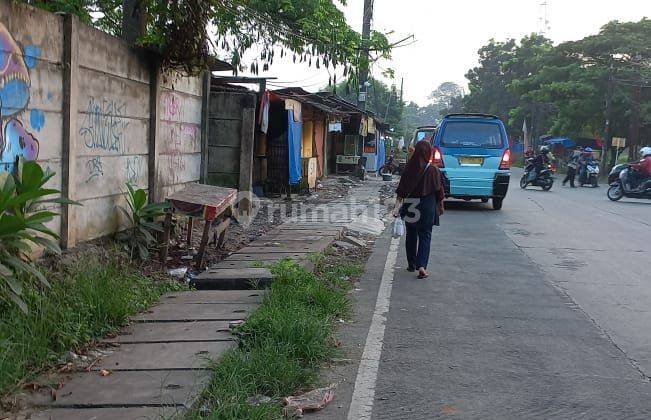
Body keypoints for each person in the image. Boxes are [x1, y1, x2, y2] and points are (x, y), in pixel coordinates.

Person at [393, 141, 445, 279]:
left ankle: (411, 264)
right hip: (428, 205)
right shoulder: (433, 169)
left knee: (411, 234)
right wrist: (441, 206)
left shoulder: (409, 168)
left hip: (411, 204)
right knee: (425, 235)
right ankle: (421, 266)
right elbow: (439, 191)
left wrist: (396, 207)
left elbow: (401, 190)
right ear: (428, 152)